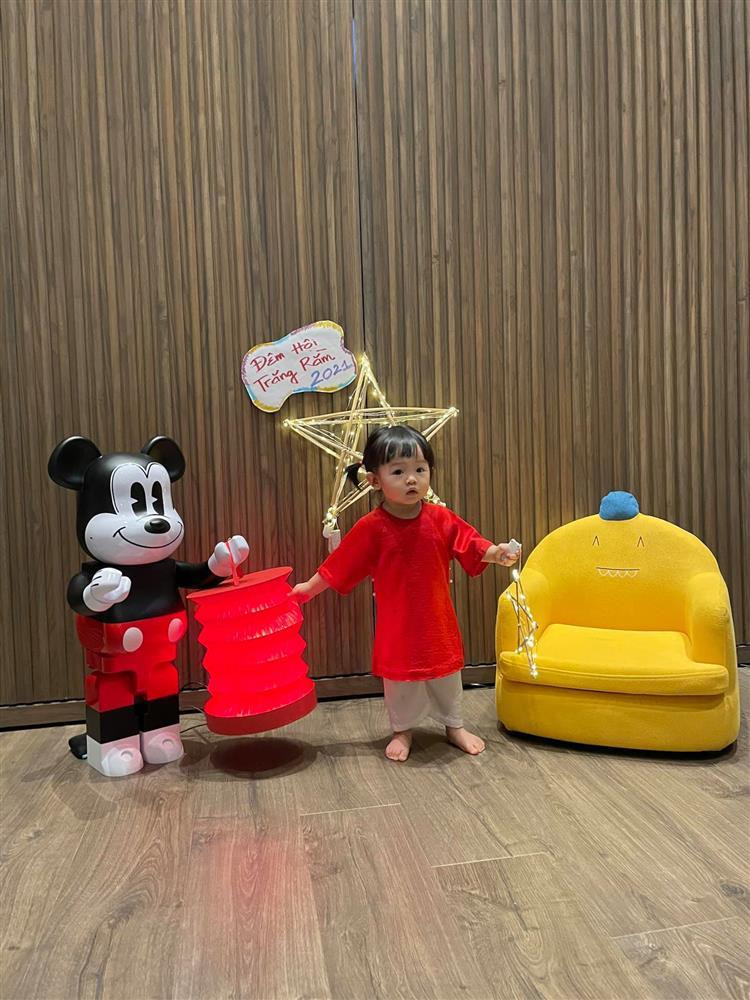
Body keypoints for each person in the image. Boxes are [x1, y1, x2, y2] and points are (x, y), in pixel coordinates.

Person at [292, 425, 521, 762]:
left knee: (446, 674)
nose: (411, 479)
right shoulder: (371, 528)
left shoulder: (440, 518)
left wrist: (496, 553)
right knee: (400, 679)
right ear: (375, 480)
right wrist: (309, 589)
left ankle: (454, 725)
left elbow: (470, 542)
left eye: (420, 469)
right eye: (398, 472)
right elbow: (339, 565)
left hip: (437, 618)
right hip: (397, 624)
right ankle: (403, 729)